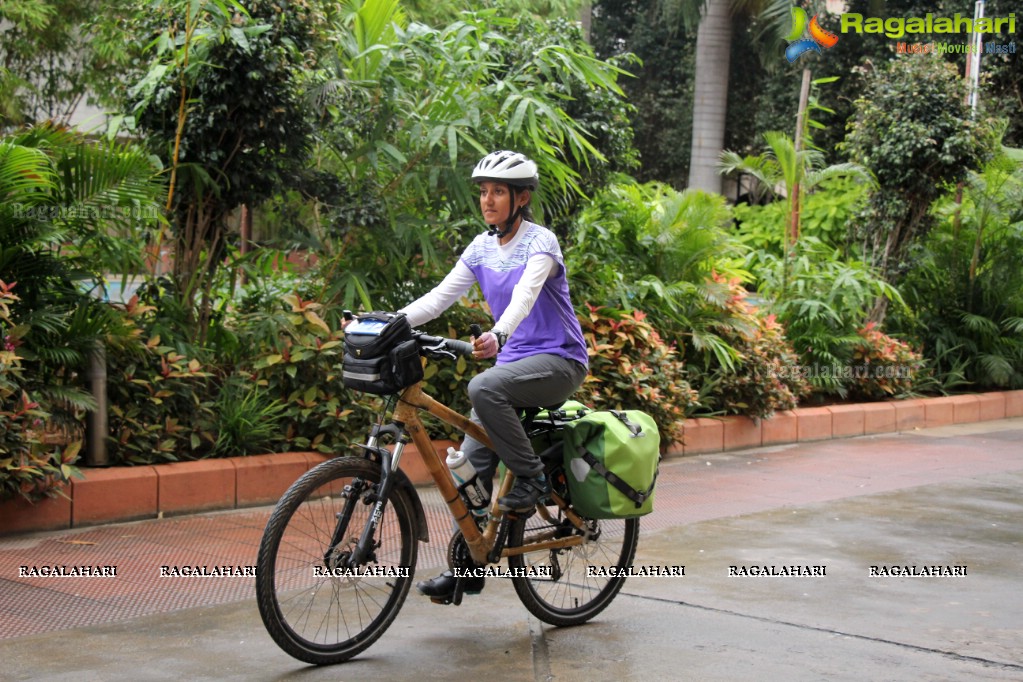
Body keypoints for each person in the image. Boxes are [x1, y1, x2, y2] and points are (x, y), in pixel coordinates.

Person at [401, 150, 589, 600]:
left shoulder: (540, 242)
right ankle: (470, 566)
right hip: (514, 367)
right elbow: (438, 298)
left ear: (521, 198)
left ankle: (532, 477)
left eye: (498, 192)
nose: (488, 200)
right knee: (466, 468)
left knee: (482, 385)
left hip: (559, 361)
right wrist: (388, 321)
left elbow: (524, 297)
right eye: (484, 192)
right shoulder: (482, 246)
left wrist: (499, 334)